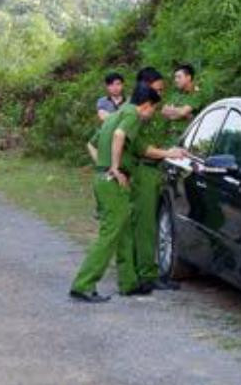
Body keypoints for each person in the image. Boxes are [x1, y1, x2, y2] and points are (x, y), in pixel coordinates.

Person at [70, 84, 182, 302]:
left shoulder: (117, 114)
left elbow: (142, 149)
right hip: (112, 181)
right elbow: (120, 135)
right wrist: (113, 166)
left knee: (124, 232)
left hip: (105, 180)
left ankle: (129, 283)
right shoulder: (132, 114)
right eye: (152, 110)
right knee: (110, 234)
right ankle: (83, 285)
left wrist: (171, 153)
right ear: (146, 106)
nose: (151, 115)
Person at [126, 66, 183, 292]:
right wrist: (169, 153)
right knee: (145, 225)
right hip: (143, 171)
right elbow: (141, 147)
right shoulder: (136, 113)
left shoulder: (145, 110)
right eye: (157, 89)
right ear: (145, 87)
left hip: (152, 170)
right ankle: (145, 275)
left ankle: (142, 270)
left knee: (148, 223)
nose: (160, 94)